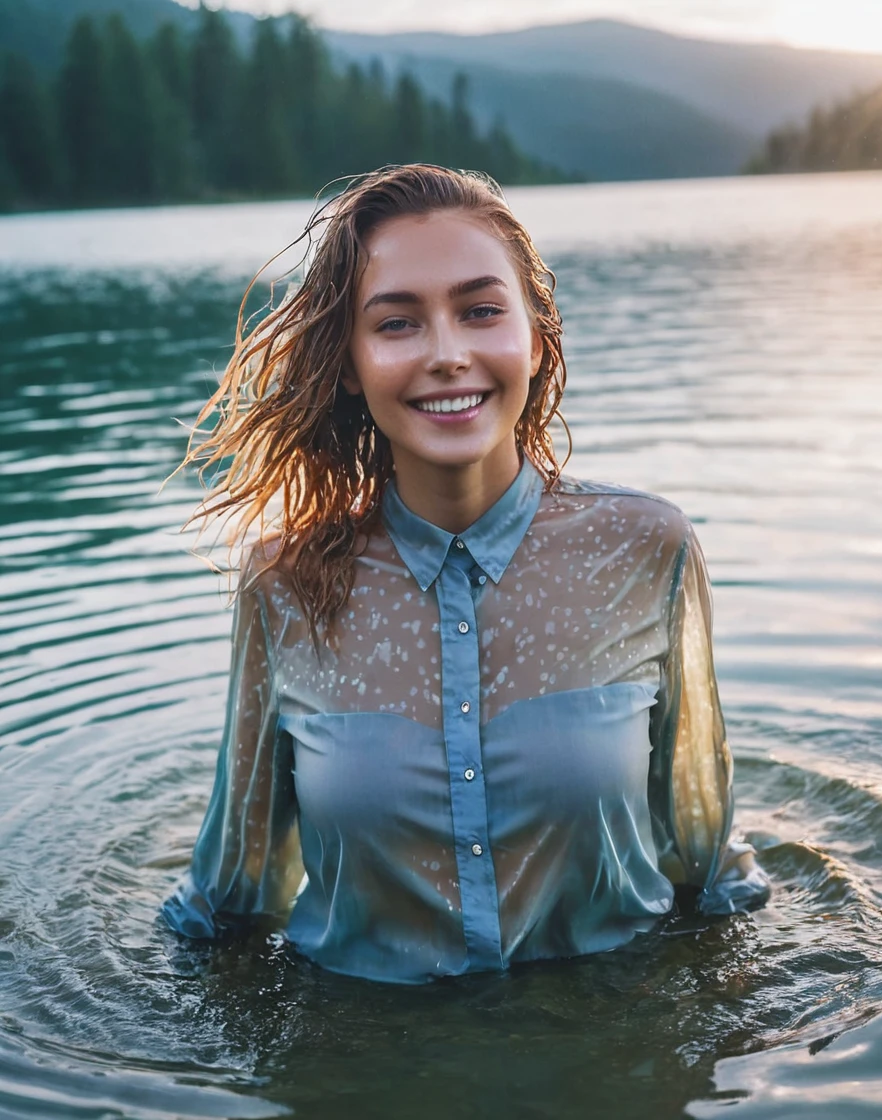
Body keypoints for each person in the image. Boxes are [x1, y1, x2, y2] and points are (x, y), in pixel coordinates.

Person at [162, 163, 769, 984]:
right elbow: (231, 891)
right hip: (362, 1059)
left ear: (535, 336)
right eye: (397, 323)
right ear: (349, 363)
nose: (449, 356)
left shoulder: (644, 550)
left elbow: (705, 855)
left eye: (482, 312)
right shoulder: (284, 582)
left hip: (611, 1045)